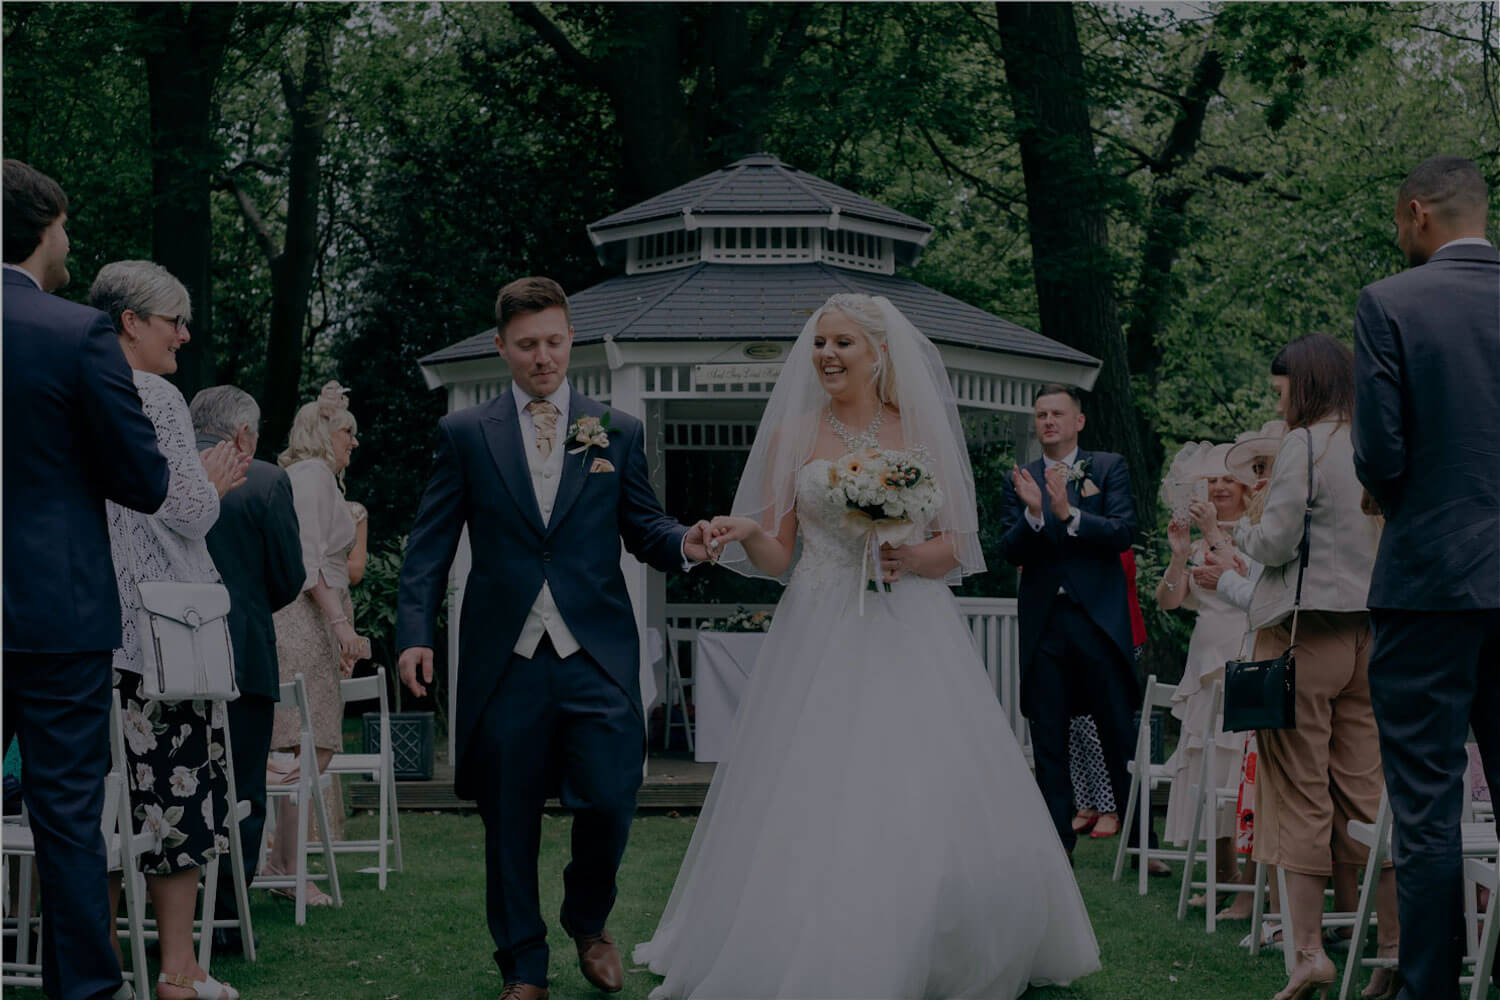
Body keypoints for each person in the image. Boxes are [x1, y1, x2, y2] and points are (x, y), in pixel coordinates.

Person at [636, 294, 1099, 999]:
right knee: (812, 778)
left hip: (909, 621)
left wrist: (909, 558)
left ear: (878, 353)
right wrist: (746, 528)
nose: (826, 355)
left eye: (843, 343)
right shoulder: (794, 433)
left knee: (920, 777)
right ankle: (801, 935)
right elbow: (779, 554)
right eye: (820, 343)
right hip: (819, 620)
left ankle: (937, 932)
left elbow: (956, 544)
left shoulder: (916, 429)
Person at [395, 277, 714, 1000]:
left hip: (593, 652)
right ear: (503, 347)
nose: (544, 357)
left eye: (555, 341)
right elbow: (429, 545)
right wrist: (415, 631)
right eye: (529, 344)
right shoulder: (466, 434)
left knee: (610, 796)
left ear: (572, 340)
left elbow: (646, 529)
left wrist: (689, 541)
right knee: (509, 819)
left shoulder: (617, 429)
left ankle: (587, 917)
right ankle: (524, 967)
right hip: (505, 659)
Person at [3, 161, 169, 1000]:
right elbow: (145, 480)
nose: (70, 240)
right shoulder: (75, 334)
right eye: (66, 224)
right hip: (55, 609)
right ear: (42, 228)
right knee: (67, 820)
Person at [1212, 333, 1399, 1000]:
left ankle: (1312, 952)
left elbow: (1278, 539)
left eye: (1280, 389)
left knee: (1298, 794)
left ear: (1305, 384)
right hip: (1369, 638)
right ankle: (1392, 950)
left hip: (1302, 636)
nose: (1279, 402)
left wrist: (1239, 530)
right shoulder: (1379, 438)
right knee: (1369, 795)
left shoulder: (1307, 444)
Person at [1353, 155, 1499, 1000]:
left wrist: (1418, 514)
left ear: (1418, 216)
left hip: (1430, 580)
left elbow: (1381, 454)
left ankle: (1430, 991)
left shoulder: (1391, 303)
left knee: (1428, 803)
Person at [91, 260, 248, 1000]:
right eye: (172, 320)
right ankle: (180, 972)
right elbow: (188, 511)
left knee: (101, 808)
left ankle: (104, 966)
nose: (183, 334)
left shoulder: (71, 387)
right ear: (131, 322)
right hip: (159, 639)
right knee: (175, 803)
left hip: (90, 634)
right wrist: (210, 486)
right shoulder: (152, 393)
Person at [998, 384, 1160, 870]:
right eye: (1041, 413)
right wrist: (1032, 512)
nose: (1048, 421)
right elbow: (1009, 549)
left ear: (1078, 421)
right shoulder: (1020, 477)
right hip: (1046, 623)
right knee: (1048, 734)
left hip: (1097, 620)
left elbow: (1123, 532)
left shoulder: (1107, 467)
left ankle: (1142, 843)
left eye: (1057, 413)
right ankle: (1056, 846)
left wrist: (1070, 516)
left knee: (1117, 731)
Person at [190, 385, 305, 952]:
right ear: (242, 435)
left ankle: (164, 908)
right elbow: (288, 575)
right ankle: (228, 919)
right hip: (242, 652)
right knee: (241, 788)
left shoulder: (155, 470)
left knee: (168, 783)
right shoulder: (263, 480)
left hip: (161, 658)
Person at [263, 381, 368, 903]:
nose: (354, 441)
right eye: (348, 431)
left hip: (316, 621)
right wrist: (340, 625)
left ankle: (283, 861)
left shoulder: (319, 479)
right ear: (324, 432)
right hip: (302, 622)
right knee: (300, 745)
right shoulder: (312, 477)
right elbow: (308, 565)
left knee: (310, 745)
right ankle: (285, 865)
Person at [1158, 442, 1262, 917]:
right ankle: (1222, 876)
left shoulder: (1256, 535)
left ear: (1244, 486)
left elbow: (1248, 586)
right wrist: (1180, 555)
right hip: (1204, 663)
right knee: (1209, 766)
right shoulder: (1198, 537)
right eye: (1211, 481)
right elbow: (1169, 601)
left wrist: (1213, 534)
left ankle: (1249, 887)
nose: (1219, 487)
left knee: (1242, 769)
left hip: (1243, 656)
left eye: (1227, 479)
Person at [1067, 548, 1146, 841]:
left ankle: (1110, 807)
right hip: (1076, 635)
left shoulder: (1109, 527)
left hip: (1115, 637)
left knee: (1098, 726)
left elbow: (1115, 570)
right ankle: (1086, 803)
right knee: (1073, 724)